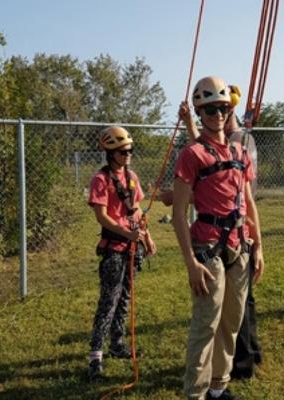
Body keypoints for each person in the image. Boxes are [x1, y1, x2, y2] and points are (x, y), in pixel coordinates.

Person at [171, 76, 265, 400]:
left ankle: (217, 388)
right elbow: (179, 213)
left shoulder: (240, 150)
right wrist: (191, 264)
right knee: (206, 326)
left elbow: (249, 203)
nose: (217, 115)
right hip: (208, 250)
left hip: (240, 247)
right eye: (210, 110)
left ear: (229, 110)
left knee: (231, 323)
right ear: (200, 112)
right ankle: (195, 394)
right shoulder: (192, 154)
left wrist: (259, 246)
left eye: (222, 108)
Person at [87, 126, 157, 380]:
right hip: (114, 250)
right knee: (108, 302)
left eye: (130, 151)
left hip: (131, 249)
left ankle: (117, 344)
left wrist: (146, 237)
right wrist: (127, 234)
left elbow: (136, 210)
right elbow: (102, 216)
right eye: (123, 151)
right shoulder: (101, 180)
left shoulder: (131, 177)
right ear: (111, 153)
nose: (128, 155)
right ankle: (95, 357)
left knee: (125, 298)